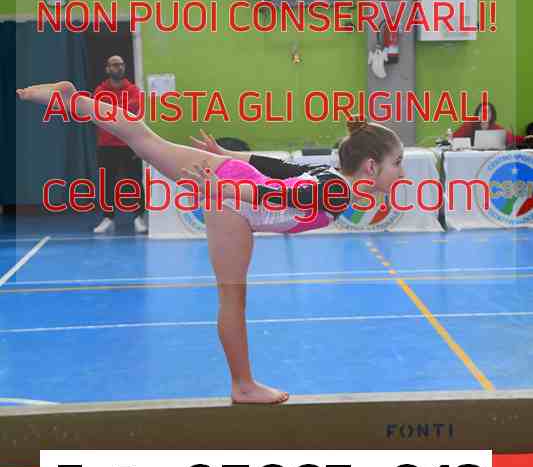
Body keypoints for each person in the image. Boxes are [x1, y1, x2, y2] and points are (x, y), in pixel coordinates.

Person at [16, 81, 405, 405]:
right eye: (397, 162)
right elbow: (279, 195)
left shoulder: (329, 176)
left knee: (142, 138)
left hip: (232, 182)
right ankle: (243, 385)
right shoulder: (337, 191)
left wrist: (228, 156)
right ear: (371, 166)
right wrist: (224, 188)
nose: (401, 172)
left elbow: (278, 168)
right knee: (232, 298)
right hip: (235, 199)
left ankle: (72, 100)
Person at [93, 55, 147, 234]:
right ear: (107, 69)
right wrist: (120, 110)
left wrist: (114, 110)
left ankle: (138, 217)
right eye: (115, 65)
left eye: (121, 64)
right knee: (107, 183)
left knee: (134, 181)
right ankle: (108, 218)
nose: (119, 67)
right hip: (107, 145)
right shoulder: (100, 91)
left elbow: (135, 113)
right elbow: (99, 115)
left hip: (129, 144)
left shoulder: (133, 90)